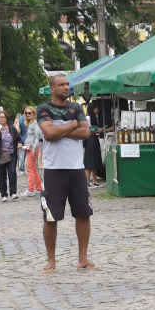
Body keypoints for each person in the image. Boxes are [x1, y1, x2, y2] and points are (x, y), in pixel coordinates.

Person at [37, 74, 99, 273]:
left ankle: (83, 259)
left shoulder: (76, 108)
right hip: (54, 169)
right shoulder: (43, 109)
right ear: (52, 89)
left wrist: (61, 129)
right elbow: (50, 134)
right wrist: (73, 125)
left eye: (67, 84)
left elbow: (85, 133)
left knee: (83, 213)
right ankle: (51, 261)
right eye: (61, 84)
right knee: (51, 216)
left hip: (76, 168)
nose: (66, 87)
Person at [0, 110, 22, 202]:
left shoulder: (11, 128)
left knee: (12, 173)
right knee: (1, 175)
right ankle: (4, 194)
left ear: (7, 118)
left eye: (3, 117)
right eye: (0, 117)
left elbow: (19, 139)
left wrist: (19, 143)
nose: (2, 119)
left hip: (11, 154)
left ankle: (13, 192)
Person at [21, 106, 43, 197]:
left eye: (30, 113)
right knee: (33, 168)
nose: (28, 114)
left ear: (34, 113)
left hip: (32, 149)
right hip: (30, 148)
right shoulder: (31, 123)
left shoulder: (34, 123)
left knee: (30, 169)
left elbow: (38, 136)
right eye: (26, 113)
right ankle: (38, 188)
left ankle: (30, 189)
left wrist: (34, 148)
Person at [84, 102, 104, 189]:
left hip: (95, 139)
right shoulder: (87, 118)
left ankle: (94, 181)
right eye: (96, 108)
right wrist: (97, 131)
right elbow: (87, 130)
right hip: (90, 139)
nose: (98, 110)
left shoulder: (94, 117)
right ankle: (87, 182)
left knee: (95, 159)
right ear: (93, 109)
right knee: (89, 161)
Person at [18, 109, 29, 173]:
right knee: (29, 154)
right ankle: (28, 168)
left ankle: (22, 169)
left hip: (22, 136)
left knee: (23, 154)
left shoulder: (20, 118)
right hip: (28, 136)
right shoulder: (27, 118)